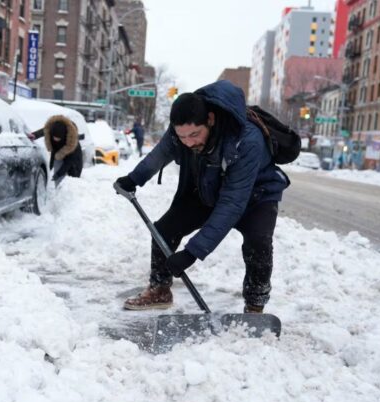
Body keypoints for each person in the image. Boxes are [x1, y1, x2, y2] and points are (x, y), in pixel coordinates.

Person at [114, 80, 290, 313]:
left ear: (211, 119)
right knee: (164, 230)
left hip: (257, 195)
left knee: (258, 242)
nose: (188, 143)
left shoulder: (246, 139)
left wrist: (191, 253)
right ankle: (160, 289)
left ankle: (255, 306)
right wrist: (134, 178)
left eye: (194, 135)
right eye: (183, 137)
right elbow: (163, 152)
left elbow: (232, 202)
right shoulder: (183, 130)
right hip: (210, 187)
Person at [34, 115, 83, 186]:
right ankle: (58, 190)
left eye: (58, 138)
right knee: (58, 181)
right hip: (58, 155)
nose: (55, 140)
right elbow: (44, 130)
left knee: (73, 180)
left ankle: (68, 194)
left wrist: (58, 174)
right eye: (54, 138)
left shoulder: (72, 143)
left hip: (73, 160)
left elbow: (69, 162)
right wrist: (34, 135)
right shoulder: (52, 129)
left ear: (63, 136)